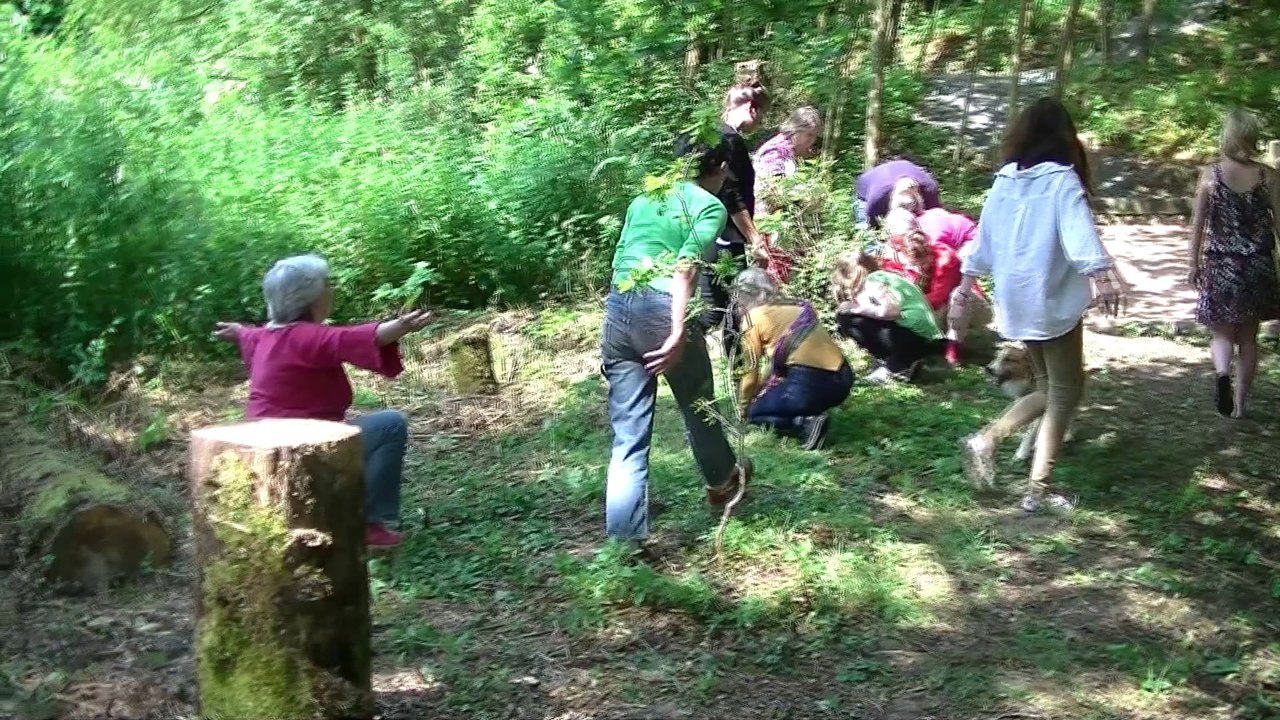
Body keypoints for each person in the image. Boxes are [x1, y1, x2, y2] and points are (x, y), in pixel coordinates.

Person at [953, 97, 1125, 514]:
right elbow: (1077, 232)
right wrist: (1101, 274)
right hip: (1050, 299)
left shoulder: (1005, 180)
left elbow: (983, 242)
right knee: (1065, 392)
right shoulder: (1061, 180)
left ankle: (992, 445)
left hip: (1017, 299)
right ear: (1066, 138)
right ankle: (1034, 488)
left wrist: (965, 285)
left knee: (1052, 387)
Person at [212, 255, 433, 548]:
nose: (332, 290)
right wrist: (401, 326)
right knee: (391, 425)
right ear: (312, 298)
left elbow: (249, 335)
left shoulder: (265, 336)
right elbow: (356, 338)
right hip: (299, 449)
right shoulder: (308, 338)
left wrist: (237, 332)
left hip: (263, 446)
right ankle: (369, 525)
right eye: (327, 284)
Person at [603, 139, 751, 544]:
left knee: (629, 434)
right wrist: (677, 330)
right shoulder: (709, 206)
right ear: (719, 167)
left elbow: (622, 257)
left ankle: (625, 543)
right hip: (664, 307)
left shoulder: (643, 199)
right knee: (698, 402)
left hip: (618, 306)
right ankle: (722, 483)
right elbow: (686, 267)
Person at [1188, 109, 1280, 419]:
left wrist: (1193, 264)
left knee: (1222, 334)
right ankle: (1240, 405)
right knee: (1248, 338)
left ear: (1227, 136)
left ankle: (1221, 375)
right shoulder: (1269, 177)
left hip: (1220, 265)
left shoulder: (1210, 175)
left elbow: (1198, 224)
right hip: (1257, 266)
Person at [733, 269, 853, 451]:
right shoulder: (797, 305)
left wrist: (743, 408)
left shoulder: (752, 319)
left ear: (741, 296)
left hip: (809, 386)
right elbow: (774, 368)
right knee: (780, 398)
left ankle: (804, 424)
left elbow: (751, 374)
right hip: (844, 379)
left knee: (755, 413)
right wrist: (762, 389)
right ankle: (812, 411)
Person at [700, 82, 771, 342]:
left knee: (716, 309)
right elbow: (731, 196)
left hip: (701, 232)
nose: (759, 124)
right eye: (761, 117)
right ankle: (739, 371)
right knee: (732, 309)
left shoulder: (703, 134)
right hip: (725, 238)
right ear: (752, 109)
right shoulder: (730, 141)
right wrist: (755, 240)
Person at [879, 209, 992, 366]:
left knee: (958, 295)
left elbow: (938, 296)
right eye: (899, 241)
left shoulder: (944, 256)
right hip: (927, 310)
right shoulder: (890, 262)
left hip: (962, 306)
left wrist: (908, 310)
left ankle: (953, 348)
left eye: (910, 233)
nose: (906, 242)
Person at [831, 249, 944, 384]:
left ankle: (897, 364)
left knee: (847, 317)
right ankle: (896, 362)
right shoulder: (886, 277)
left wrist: (855, 309)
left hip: (917, 339)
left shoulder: (873, 281)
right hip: (924, 338)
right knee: (852, 314)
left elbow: (889, 312)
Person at [753, 106, 822, 215]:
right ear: (795, 130)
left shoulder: (790, 152)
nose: (812, 141)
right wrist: (805, 196)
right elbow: (775, 189)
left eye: (814, 137)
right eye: (809, 135)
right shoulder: (775, 152)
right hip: (765, 217)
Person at [853, 158, 940, 229]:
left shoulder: (929, 189)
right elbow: (872, 223)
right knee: (865, 229)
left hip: (903, 167)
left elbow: (935, 216)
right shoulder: (877, 197)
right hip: (866, 186)